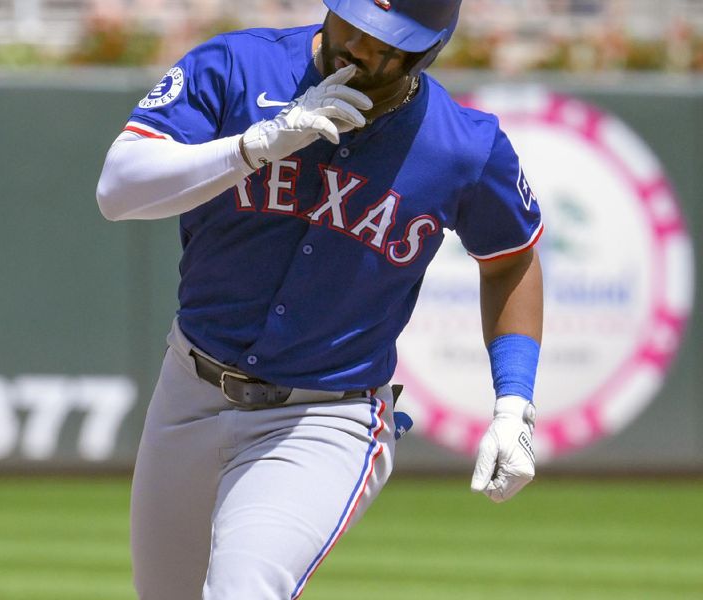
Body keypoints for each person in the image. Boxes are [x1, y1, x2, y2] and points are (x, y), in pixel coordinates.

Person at [96, 0, 543, 597]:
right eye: (352, 21)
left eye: (386, 41)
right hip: (189, 389)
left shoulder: (463, 146)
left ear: (427, 49)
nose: (359, 45)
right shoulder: (239, 66)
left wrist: (514, 405)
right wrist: (253, 146)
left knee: (243, 590)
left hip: (324, 415)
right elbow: (117, 190)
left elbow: (510, 262)